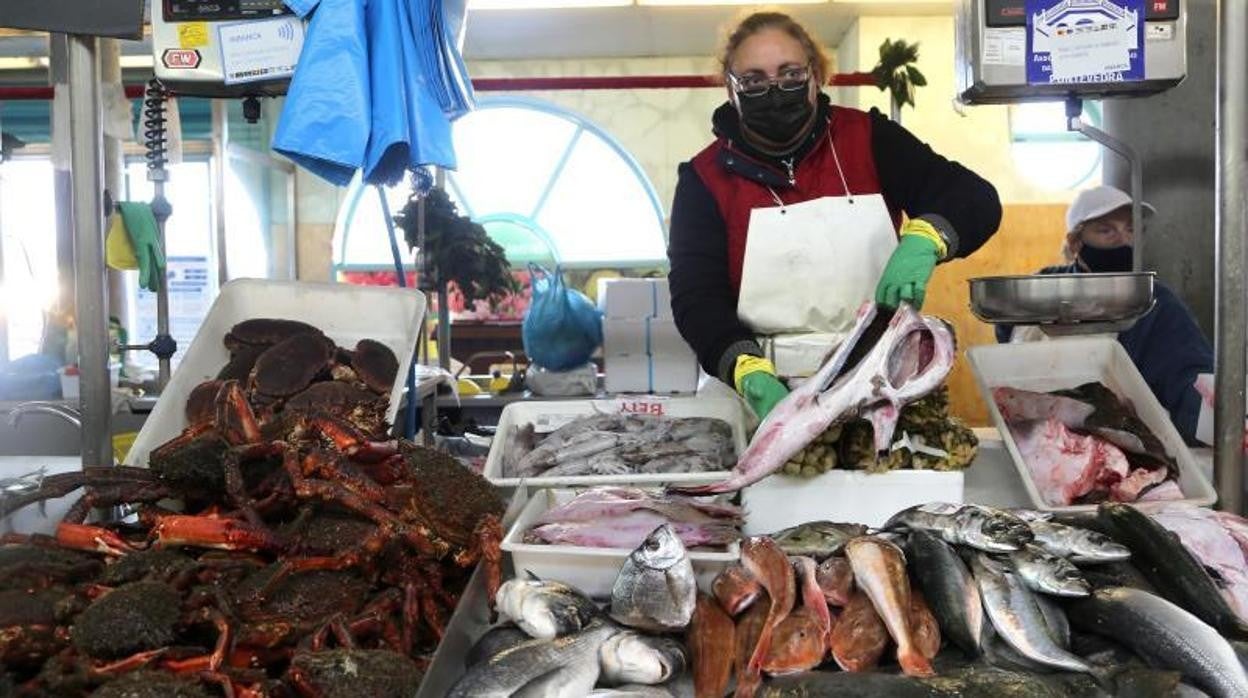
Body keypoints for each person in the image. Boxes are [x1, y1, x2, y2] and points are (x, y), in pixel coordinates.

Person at [667, 11, 1002, 420]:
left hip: (881, 381)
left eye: (790, 73)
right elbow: (695, 296)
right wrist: (743, 366)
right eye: (754, 80)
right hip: (762, 395)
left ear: (816, 74)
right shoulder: (704, 179)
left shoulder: (870, 139)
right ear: (730, 88)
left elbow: (975, 198)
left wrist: (928, 237)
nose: (775, 90)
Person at [995, 185, 1213, 444]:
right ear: (1076, 242)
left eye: (1131, 229)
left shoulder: (1155, 302)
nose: (1123, 240)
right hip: (1032, 440)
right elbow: (1007, 339)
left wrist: (1220, 429)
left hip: (1123, 451)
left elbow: (1192, 380)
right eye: (1106, 230)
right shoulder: (1042, 287)